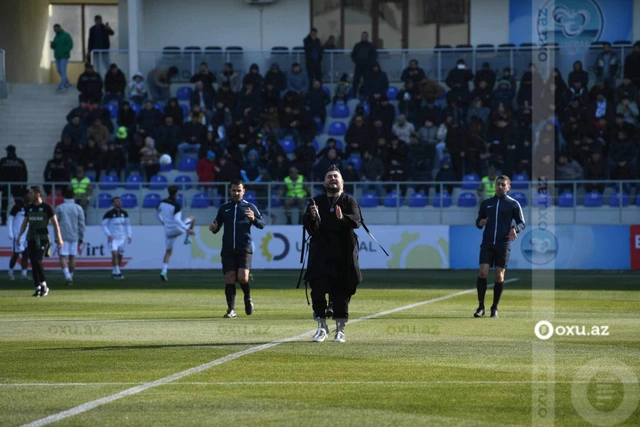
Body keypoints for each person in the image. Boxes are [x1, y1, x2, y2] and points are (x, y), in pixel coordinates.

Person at [303, 165, 363, 343]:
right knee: (318, 292)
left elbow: (357, 222)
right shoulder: (316, 201)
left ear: (342, 182)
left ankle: (340, 329)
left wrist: (342, 218)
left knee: (341, 294)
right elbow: (310, 228)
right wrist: (312, 217)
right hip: (321, 255)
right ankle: (322, 327)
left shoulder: (349, 201)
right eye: (329, 176)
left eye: (336, 176)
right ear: (324, 182)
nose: (333, 179)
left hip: (344, 256)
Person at [209, 180, 265, 318]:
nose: (236, 193)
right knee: (230, 277)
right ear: (230, 191)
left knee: (243, 277)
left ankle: (247, 297)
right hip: (228, 248)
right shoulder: (224, 208)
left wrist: (253, 219)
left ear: (243, 191)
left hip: (244, 247)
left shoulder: (250, 207)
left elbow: (262, 223)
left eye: (239, 190)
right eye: (234, 190)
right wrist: (213, 229)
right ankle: (231, 309)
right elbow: (217, 226)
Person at [474, 175, 526, 319]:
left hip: (503, 244)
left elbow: (522, 223)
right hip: (488, 242)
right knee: (483, 272)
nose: (500, 186)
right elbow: (478, 222)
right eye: (498, 184)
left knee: (499, 276)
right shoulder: (486, 203)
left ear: (509, 187)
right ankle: (480, 307)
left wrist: (515, 228)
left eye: (503, 184)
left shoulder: (513, 204)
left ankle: (494, 308)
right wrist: (480, 223)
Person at [16, 186, 64, 297]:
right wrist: (19, 236)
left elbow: (56, 224)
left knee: (38, 260)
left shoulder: (47, 207)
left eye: (31, 193)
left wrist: (60, 238)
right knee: (33, 262)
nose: (29, 195)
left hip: (43, 238)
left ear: (38, 194)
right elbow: (24, 224)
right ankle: (38, 288)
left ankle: (44, 285)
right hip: (31, 237)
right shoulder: (29, 208)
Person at [156, 185, 195, 281]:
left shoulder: (162, 202)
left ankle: (163, 271)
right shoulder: (176, 205)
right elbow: (177, 220)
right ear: (176, 193)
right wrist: (187, 229)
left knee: (168, 252)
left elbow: (156, 213)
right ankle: (188, 238)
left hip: (168, 231)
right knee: (192, 218)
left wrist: (163, 222)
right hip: (178, 229)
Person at [55, 188, 85, 286]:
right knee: (72, 256)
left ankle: (68, 276)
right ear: (73, 196)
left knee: (62, 256)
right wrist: (81, 236)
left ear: (63, 196)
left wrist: (56, 237)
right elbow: (81, 224)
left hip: (62, 235)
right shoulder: (78, 208)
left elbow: (56, 224)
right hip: (74, 235)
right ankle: (70, 276)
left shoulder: (59, 207)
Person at [101, 196, 132, 280]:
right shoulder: (109, 213)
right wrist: (109, 235)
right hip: (113, 238)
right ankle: (118, 272)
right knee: (114, 254)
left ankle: (115, 271)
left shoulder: (124, 213)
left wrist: (129, 235)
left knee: (120, 255)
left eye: (120, 201)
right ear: (113, 203)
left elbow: (128, 225)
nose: (119, 203)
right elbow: (104, 225)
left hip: (122, 238)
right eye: (117, 201)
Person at [0, 145, 28, 225]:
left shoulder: (3, 161)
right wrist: (24, 186)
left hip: (6, 185)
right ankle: (21, 218)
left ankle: (4, 220)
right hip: (17, 186)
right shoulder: (19, 161)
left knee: (5, 203)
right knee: (19, 203)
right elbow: (25, 174)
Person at [7, 190, 30, 281]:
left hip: (27, 235)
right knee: (16, 255)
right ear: (24, 196)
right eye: (28, 195)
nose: (30, 196)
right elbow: (10, 219)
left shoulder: (30, 207)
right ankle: (10, 272)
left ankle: (24, 274)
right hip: (18, 235)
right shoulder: (17, 206)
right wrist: (10, 232)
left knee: (26, 254)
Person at [50, 23, 73, 92]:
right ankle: (67, 82)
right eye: (54, 30)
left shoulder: (66, 35)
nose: (55, 31)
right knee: (59, 70)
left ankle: (63, 84)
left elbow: (70, 44)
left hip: (64, 56)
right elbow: (54, 46)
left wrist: (65, 50)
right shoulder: (56, 37)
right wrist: (52, 45)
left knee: (62, 70)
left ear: (59, 28)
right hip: (57, 56)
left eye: (56, 29)